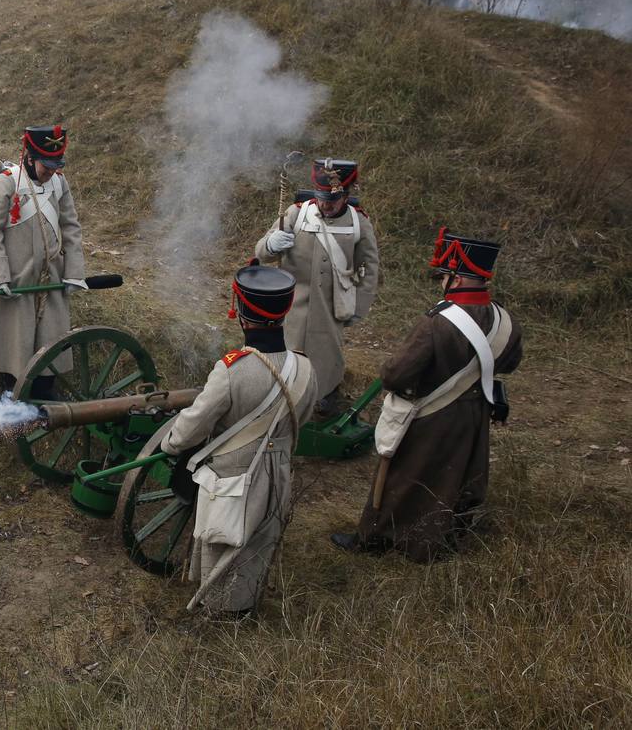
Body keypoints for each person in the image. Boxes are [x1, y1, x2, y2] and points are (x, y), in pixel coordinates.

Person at [332, 230, 523, 562]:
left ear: (458, 280)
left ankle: (375, 539)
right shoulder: (505, 321)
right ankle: (444, 538)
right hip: (474, 415)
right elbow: (510, 362)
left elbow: (395, 374)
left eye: (446, 276)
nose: (442, 282)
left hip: (432, 414)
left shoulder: (437, 324)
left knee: (400, 479)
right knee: (456, 477)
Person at [160, 264, 317, 616]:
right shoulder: (305, 368)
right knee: (261, 535)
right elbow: (300, 419)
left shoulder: (231, 370)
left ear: (242, 314)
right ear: (286, 311)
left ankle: (217, 609)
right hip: (277, 468)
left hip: (232, 474)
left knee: (223, 536)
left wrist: (168, 444)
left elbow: (194, 425)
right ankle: (246, 601)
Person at [255, 158, 380, 412]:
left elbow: (369, 271)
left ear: (345, 195)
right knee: (285, 360)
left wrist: (358, 307)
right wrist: (270, 244)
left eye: (332, 200)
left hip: (330, 307)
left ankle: (324, 399)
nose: (325, 204)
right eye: (321, 197)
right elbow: (261, 253)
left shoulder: (359, 224)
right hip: (290, 308)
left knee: (326, 360)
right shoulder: (296, 214)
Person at [0, 124, 85, 398]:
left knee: (50, 344)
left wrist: (74, 272)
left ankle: (45, 395)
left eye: (55, 165)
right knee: (14, 348)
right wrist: (0, 277)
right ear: (30, 157)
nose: (50, 171)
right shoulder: (7, 183)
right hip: (17, 280)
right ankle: (13, 396)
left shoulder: (59, 181)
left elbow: (71, 227)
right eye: (46, 165)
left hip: (51, 281)